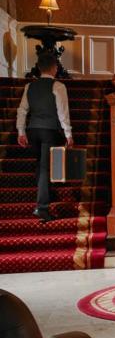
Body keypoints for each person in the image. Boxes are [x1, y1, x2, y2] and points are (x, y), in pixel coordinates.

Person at [16, 55, 73, 223]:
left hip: (33, 131)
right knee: (45, 168)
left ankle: (44, 195)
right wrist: (68, 134)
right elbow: (63, 113)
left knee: (41, 166)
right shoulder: (58, 86)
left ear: (40, 68)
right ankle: (42, 207)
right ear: (54, 68)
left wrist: (21, 132)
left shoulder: (29, 86)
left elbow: (22, 110)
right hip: (50, 131)